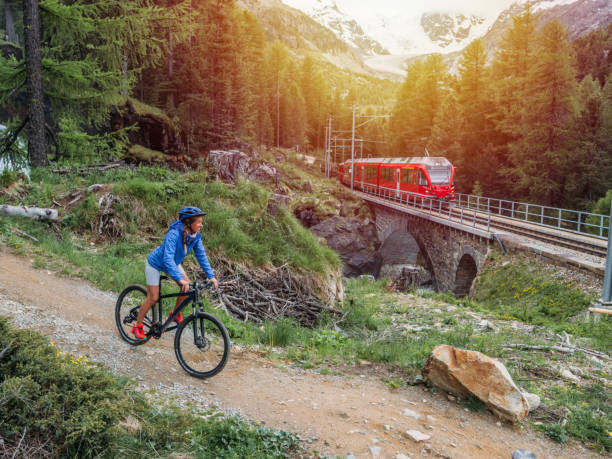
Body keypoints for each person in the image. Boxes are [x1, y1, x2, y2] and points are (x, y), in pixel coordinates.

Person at [132, 206, 218, 340]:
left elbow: (201, 256)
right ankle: (137, 326)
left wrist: (211, 276)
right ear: (189, 222)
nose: (201, 224)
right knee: (153, 298)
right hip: (156, 264)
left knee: (186, 286)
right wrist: (179, 277)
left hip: (173, 264)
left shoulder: (194, 237)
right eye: (199, 222)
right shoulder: (174, 234)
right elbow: (167, 259)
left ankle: (175, 313)